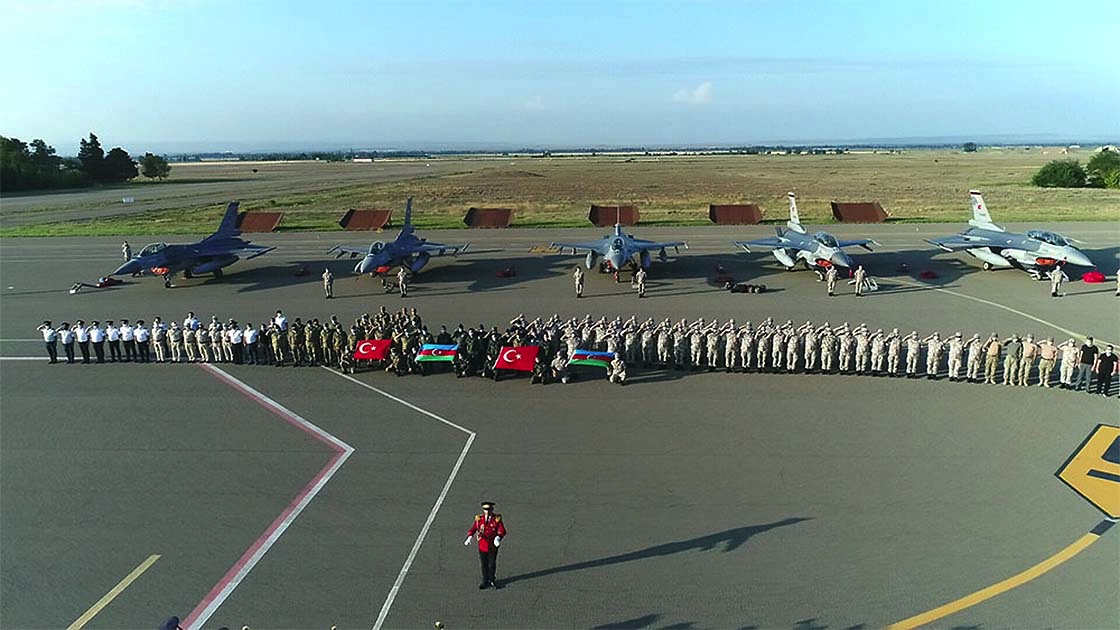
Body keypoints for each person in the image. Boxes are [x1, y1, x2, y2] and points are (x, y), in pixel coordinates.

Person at [465, 501, 507, 589]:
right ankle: (485, 580)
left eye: (489, 509)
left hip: (492, 546)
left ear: (492, 509)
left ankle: (492, 579)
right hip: (483, 545)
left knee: (491, 564)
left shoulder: (496, 519)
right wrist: (469, 537)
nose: (487, 511)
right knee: (484, 564)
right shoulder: (479, 519)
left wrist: (498, 538)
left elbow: (502, 530)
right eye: (486, 509)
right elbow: (473, 529)